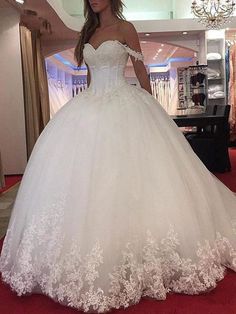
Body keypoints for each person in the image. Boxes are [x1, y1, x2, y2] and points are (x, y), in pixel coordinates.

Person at [0, 0, 236, 313]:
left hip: (125, 104)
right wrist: (85, 101)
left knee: (136, 176)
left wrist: (152, 108)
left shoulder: (125, 28)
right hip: (89, 107)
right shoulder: (89, 31)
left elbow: (140, 68)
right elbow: (87, 76)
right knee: (86, 179)